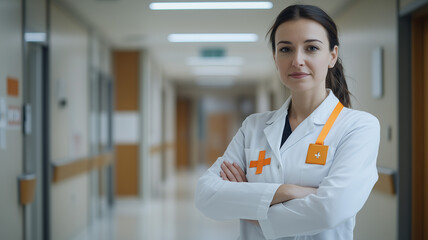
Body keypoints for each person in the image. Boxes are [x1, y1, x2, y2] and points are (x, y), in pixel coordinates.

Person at [195, 4, 380, 240]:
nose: (297, 60)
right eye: (285, 49)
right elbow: (206, 196)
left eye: (311, 48)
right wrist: (288, 191)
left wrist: (247, 202)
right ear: (275, 57)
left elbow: (329, 210)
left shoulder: (358, 127)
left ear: (332, 56)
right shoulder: (253, 127)